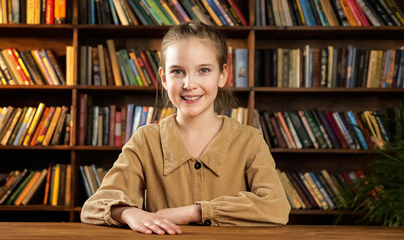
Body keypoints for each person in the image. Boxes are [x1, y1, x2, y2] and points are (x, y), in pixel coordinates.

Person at [81, 21, 290, 235]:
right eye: (178, 71)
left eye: (204, 70)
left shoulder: (249, 140)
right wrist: (129, 213)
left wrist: (194, 212)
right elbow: (94, 207)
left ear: (222, 75)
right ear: (163, 77)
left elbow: (276, 208)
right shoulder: (146, 140)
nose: (189, 84)